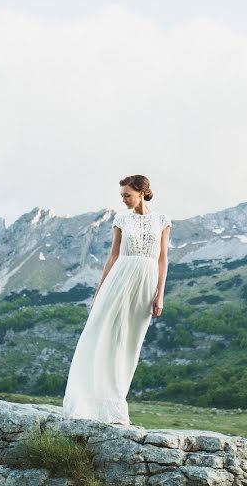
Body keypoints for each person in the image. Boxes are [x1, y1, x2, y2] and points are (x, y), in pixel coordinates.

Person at [62, 174, 171, 425]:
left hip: (145, 282)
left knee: (129, 342)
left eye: (127, 195)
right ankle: (87, 401)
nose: (123, 200)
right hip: (119, 279)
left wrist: (159, 294)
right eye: (121, 195)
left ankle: (114, 402)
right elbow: (112, 257)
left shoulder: (162, 221)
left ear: (141, 193)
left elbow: (163, 258)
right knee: (100, 335)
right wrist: (98, 292)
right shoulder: (121, 219)